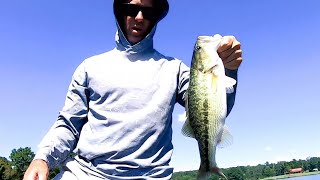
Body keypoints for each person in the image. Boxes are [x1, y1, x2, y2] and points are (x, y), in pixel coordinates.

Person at [23, 0, 242, 179]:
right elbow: (68, 125)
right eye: (131, 8)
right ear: (119, 12)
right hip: (85, 174)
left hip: (151, 176)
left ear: (155, 17)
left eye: (147, 11)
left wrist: (229, 71)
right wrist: (42, 158)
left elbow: (212, 110)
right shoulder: (89, 67)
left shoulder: (175, 69)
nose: (139, 17)